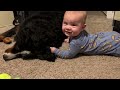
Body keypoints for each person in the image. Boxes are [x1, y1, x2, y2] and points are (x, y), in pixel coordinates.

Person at [50, 11, 120, 59]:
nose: (68, 27)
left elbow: (68, 55)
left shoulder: (76, 43)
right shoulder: (81, 32)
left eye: (73, 25)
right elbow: (77, 34)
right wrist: (69, 38)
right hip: (113, 35)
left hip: (114, 45)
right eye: (65, 23)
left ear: (82, 27)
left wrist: (55, 50)